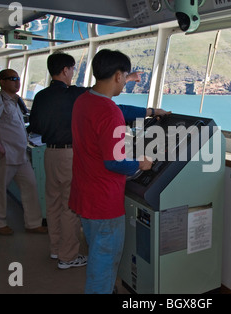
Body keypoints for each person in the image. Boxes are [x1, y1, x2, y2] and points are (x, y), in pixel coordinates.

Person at [28, 52, 145, 269]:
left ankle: (56, 250)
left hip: (51, 154)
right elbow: (114, 161)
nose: (72, 73)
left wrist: (126, 78)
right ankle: (67, 255)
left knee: (53, 205)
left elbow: (34, 125)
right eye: (71, 69)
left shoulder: (68, 98)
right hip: (90, 183)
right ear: (65, 70)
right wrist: (140, 164)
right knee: (71, 214)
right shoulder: (89, 101)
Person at [69, 49, 170, 294]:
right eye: (125, 76)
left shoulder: (84, 100)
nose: (126, 81)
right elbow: (114, 163)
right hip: (104, 201)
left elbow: (119, 110)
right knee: (103, 263)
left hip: (84, 194)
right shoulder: (108, 111)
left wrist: (151, 112)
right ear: (117, 75)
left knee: (96, 253)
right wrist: (140, 164)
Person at [0, 69, 47, 236]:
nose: (17, 82)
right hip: (6, 155)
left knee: (30, 186)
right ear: (2, 82)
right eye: (12, 79)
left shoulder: (14, 101)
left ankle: (33, 223)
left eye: (18, 79)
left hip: (20, 154)